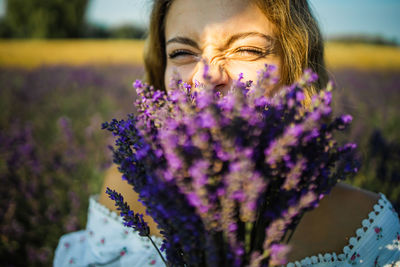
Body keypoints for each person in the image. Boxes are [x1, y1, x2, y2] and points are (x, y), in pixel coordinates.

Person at [54, 0, 400, 266]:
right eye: (182, 52)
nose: (206, 76)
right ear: (162, 74)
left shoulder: (365, 229)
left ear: (297, 68)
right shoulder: (124, 192)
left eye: (247, 49)